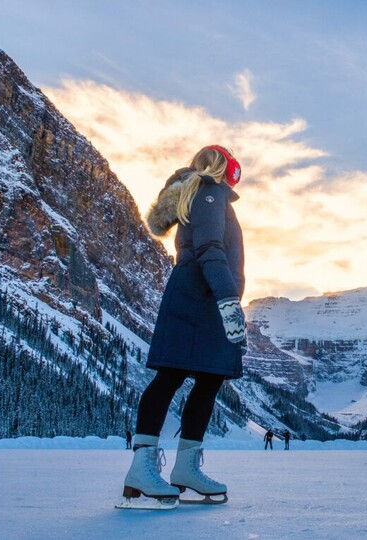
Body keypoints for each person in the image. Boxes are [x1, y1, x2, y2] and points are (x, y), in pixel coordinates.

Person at [119, 145, 246, 508]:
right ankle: (141, 469)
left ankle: (186, 468)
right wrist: (228, 299)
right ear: (225, 167)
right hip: (198, 297)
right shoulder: (209, 192)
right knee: (171, 375)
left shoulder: (204, 194)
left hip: (203, 296)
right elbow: (209, 247)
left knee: (209, 379)